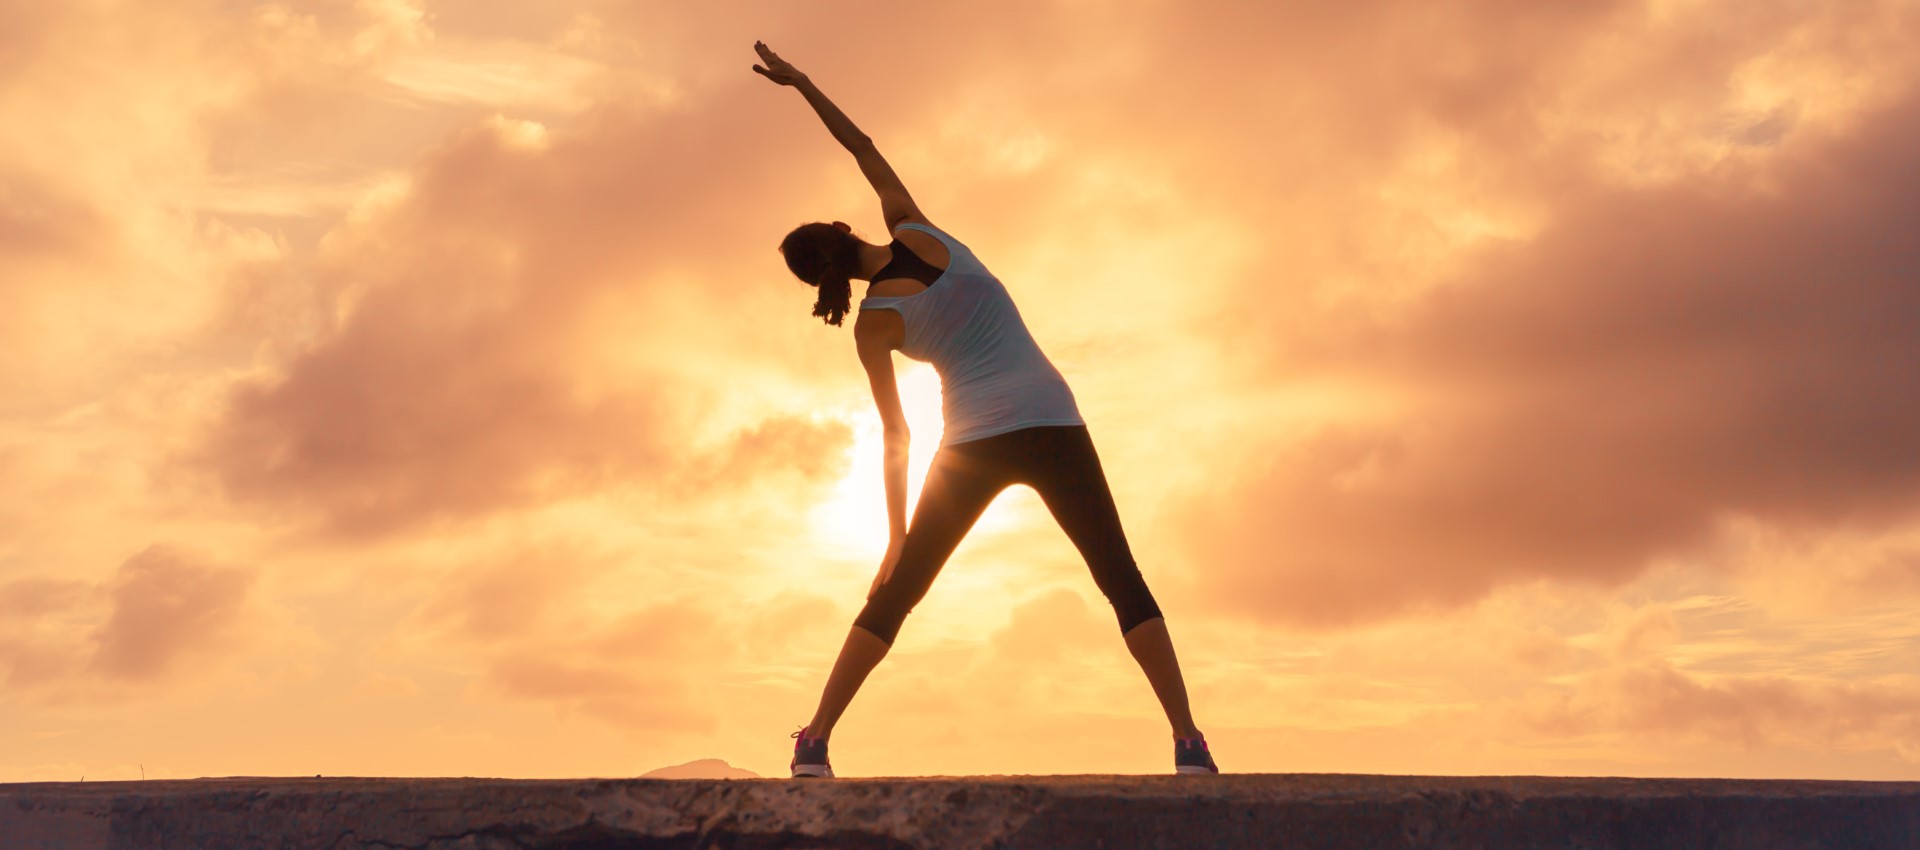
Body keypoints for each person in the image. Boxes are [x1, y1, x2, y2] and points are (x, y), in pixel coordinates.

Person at [752, 41, 1216, 778]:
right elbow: (861, 145)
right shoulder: (915, 225)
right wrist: (804, 83)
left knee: (900, 591)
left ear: (822, 281)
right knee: (1118, 574)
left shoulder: (874, 324)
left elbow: (896, 436)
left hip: (971, 443)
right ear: (843, 231)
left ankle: (814, 740)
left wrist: (896, 537)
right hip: (1052, 421)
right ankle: (1189, 742)